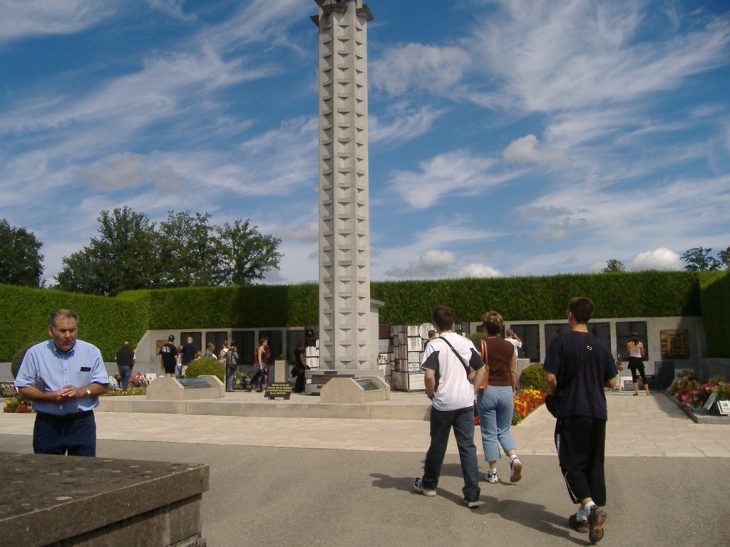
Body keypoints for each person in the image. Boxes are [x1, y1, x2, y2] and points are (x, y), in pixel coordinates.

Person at [543, 297, 617, 544]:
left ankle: (590, 506)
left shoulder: (560, 342)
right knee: (593, 462)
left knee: (570, 463)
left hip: (572, 411)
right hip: (597, 411)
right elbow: (612, 382)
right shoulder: (600, 345)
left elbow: (550, 377)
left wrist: (556, 393)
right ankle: (585, 516)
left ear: (570, 315)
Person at [413, 306, 486, 509]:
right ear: (453, 322)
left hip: (443, 402)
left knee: (437, 445)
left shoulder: (434, 345)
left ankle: (429, 485)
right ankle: (472, 495)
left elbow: (429, 375)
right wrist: (473, 391)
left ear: (434, 325)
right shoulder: (466, 342)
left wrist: (430, 393)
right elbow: (481, 368)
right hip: (464, 402)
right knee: (467, 447)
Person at [14, 309, 110, 457]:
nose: (68, 335)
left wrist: (81, 392)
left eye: (72, 330)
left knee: (83, 471)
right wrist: (50, 396)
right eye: (63, 330)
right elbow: (22, 388)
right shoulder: (35, 353)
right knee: (46, 471)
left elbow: (103, 385)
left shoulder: (91, 352)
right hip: (47, 424)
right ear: (50, 331)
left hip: (81, 423)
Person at [476, 312, 522, 484]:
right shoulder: (509, 346)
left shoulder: (481, 344)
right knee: (504, 430)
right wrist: (513, 389)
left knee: (489, 432)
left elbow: (476, 368)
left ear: (485, 328)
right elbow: (512, 371)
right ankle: (514, 458)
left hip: (488, 390)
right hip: (505, 390)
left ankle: (493, 472)